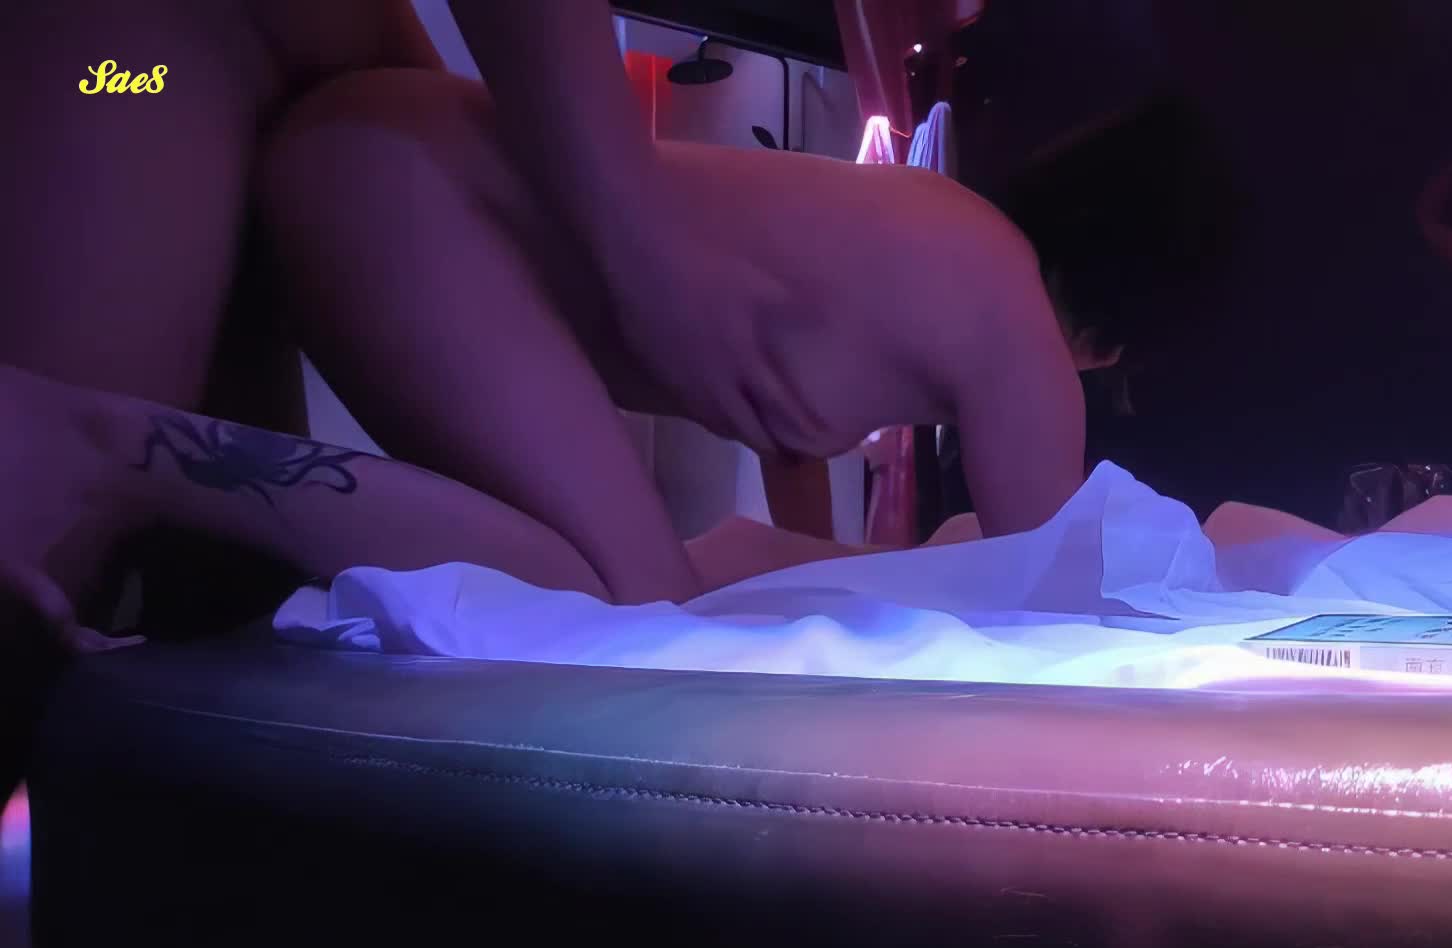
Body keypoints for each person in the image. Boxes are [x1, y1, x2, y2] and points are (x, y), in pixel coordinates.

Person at [1, 0, 1117, 661]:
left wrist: (788, 569)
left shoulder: (948, 250)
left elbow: (785, 456)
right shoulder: (1013, 326)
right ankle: (106, 444)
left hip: (354, 125)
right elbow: (1047, 612)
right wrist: (646, 259)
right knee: (621, 619)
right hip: (219, 93)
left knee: (206, 614)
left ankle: (110, 450)